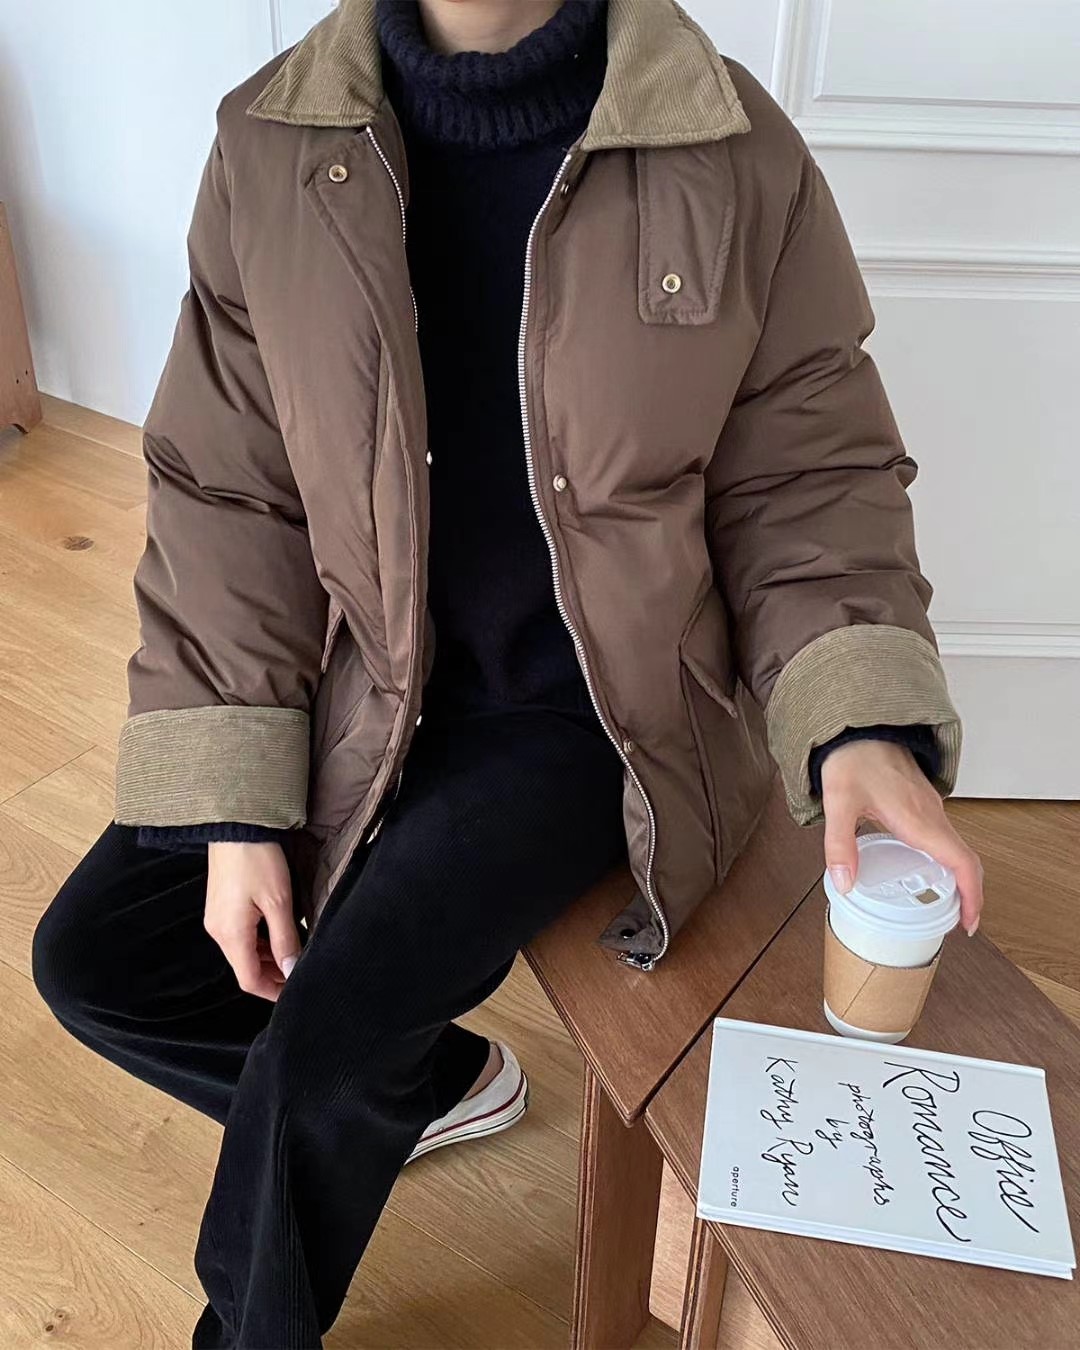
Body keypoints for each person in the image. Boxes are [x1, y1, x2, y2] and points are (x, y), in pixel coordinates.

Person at [32, 1, 984, 1345]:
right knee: (97, 962)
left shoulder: (730, 148)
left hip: (583, 710)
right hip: (364, 673)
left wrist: (861, 723)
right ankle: (432, 1081)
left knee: (319, 1059)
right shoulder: (268, 144)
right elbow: (230, 492)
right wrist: (238, 807)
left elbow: (809, 472)